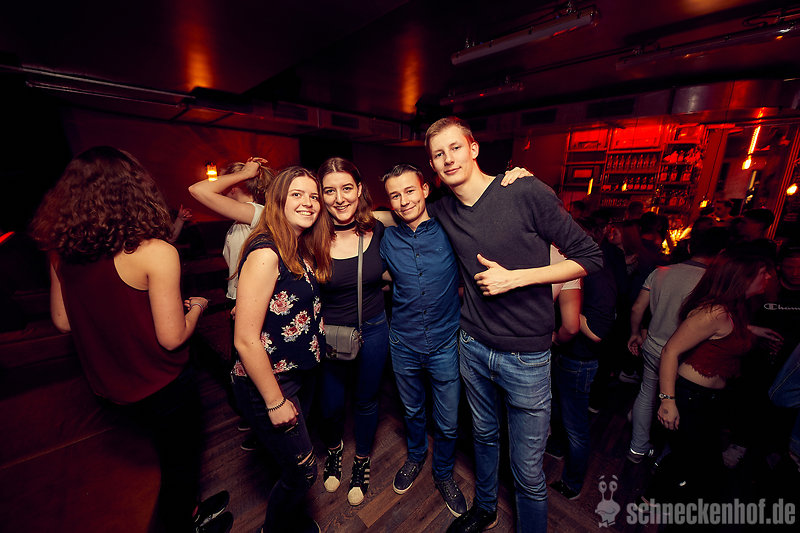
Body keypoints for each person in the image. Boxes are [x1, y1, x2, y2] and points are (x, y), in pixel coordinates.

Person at [30, 146, 231, 533]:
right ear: (136, 192)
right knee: (179, 463)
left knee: (160, 458)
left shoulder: (60, 251)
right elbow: (172, 338)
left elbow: (63, 321)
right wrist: (198, 307)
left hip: (109, 387)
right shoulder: (155, 252)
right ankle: (185, 524)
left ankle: (192, 511)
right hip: (162, 385)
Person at [422, 117, 603, 533]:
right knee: (483, 438)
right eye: (438, 154)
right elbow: (399, 210)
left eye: (455, 147)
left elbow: (590, 257)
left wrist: (517, 277)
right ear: (432, 165)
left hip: (527, 357)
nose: (448, 159)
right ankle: (485, 509)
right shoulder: (444, 209)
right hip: (472, 346)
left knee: (527, 468)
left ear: (473, 148)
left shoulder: (524, 190)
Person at [230, 166, 333, 533]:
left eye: (314, 196)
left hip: (297, 373)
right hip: (271, 381)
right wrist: (274, 402)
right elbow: (245, 339)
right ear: (277, 200)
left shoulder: (295, 245)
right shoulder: (267, 252)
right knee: (303, 472)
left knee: (291, 464)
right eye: (297, 195)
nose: (308, 203)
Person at [655, 249, 781, 500]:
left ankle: (661, 499)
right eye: (763, 273)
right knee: (694, 460)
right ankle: (653, 500)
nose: (768, 277)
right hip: (691, 397)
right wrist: (667, 401)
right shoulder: (713, 313)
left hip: (709, 399)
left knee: (693, 458)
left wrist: (752, 331)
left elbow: (725, 331)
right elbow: (670, 351)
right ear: (743, 277)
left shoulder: (734, 309)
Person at [378, 164, 467, 516]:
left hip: (445, 342)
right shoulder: (386, 239)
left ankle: (443, 473)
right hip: (403, 342)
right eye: (395, 195)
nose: (404, 201)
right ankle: (416, 457)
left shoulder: (450, 229)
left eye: (410, 191)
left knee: (448, 420)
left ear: (425, 190)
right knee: (412, 410)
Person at [317, 157, 390, 507]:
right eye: (329, 191)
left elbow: (427, 211)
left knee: (366, 399)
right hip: (328, 334)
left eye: (347, 188)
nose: (339, 198)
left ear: (359, 189)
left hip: (373, 329)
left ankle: (361, 459)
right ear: (320, 195)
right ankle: (334, 449)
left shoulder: (380, 230)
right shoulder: (309, 236)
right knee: (330, 404)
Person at [189, 158, 274, 451]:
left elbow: (198, 190)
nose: (220, 186)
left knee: (253, 365)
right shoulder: (241, 219)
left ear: (237, 184)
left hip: (249, 301)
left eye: (227, 181)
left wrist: (246, 173)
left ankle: (267, 427)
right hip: (236, 299)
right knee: (243, 366)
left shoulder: (255, 212)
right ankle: (257, 419)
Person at [626, 226, 728, 464]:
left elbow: (637, 308)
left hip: (654, 347)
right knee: (677, 405)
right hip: (686, 357)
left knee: (647, 393)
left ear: (690, 247)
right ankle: (666, 459)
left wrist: (635, 333)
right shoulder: (715, 282)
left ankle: (637, 449)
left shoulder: (662, 272)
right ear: (721, 253)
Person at [547, 217, 617, 500]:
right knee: (560, 409)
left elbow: (598, 332)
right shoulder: (574, 266)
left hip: (580, 360)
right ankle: (557, 447)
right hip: (565, 352)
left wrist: (570, 316)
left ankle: (573, 482)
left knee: (576, 424)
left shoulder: (596, 273)